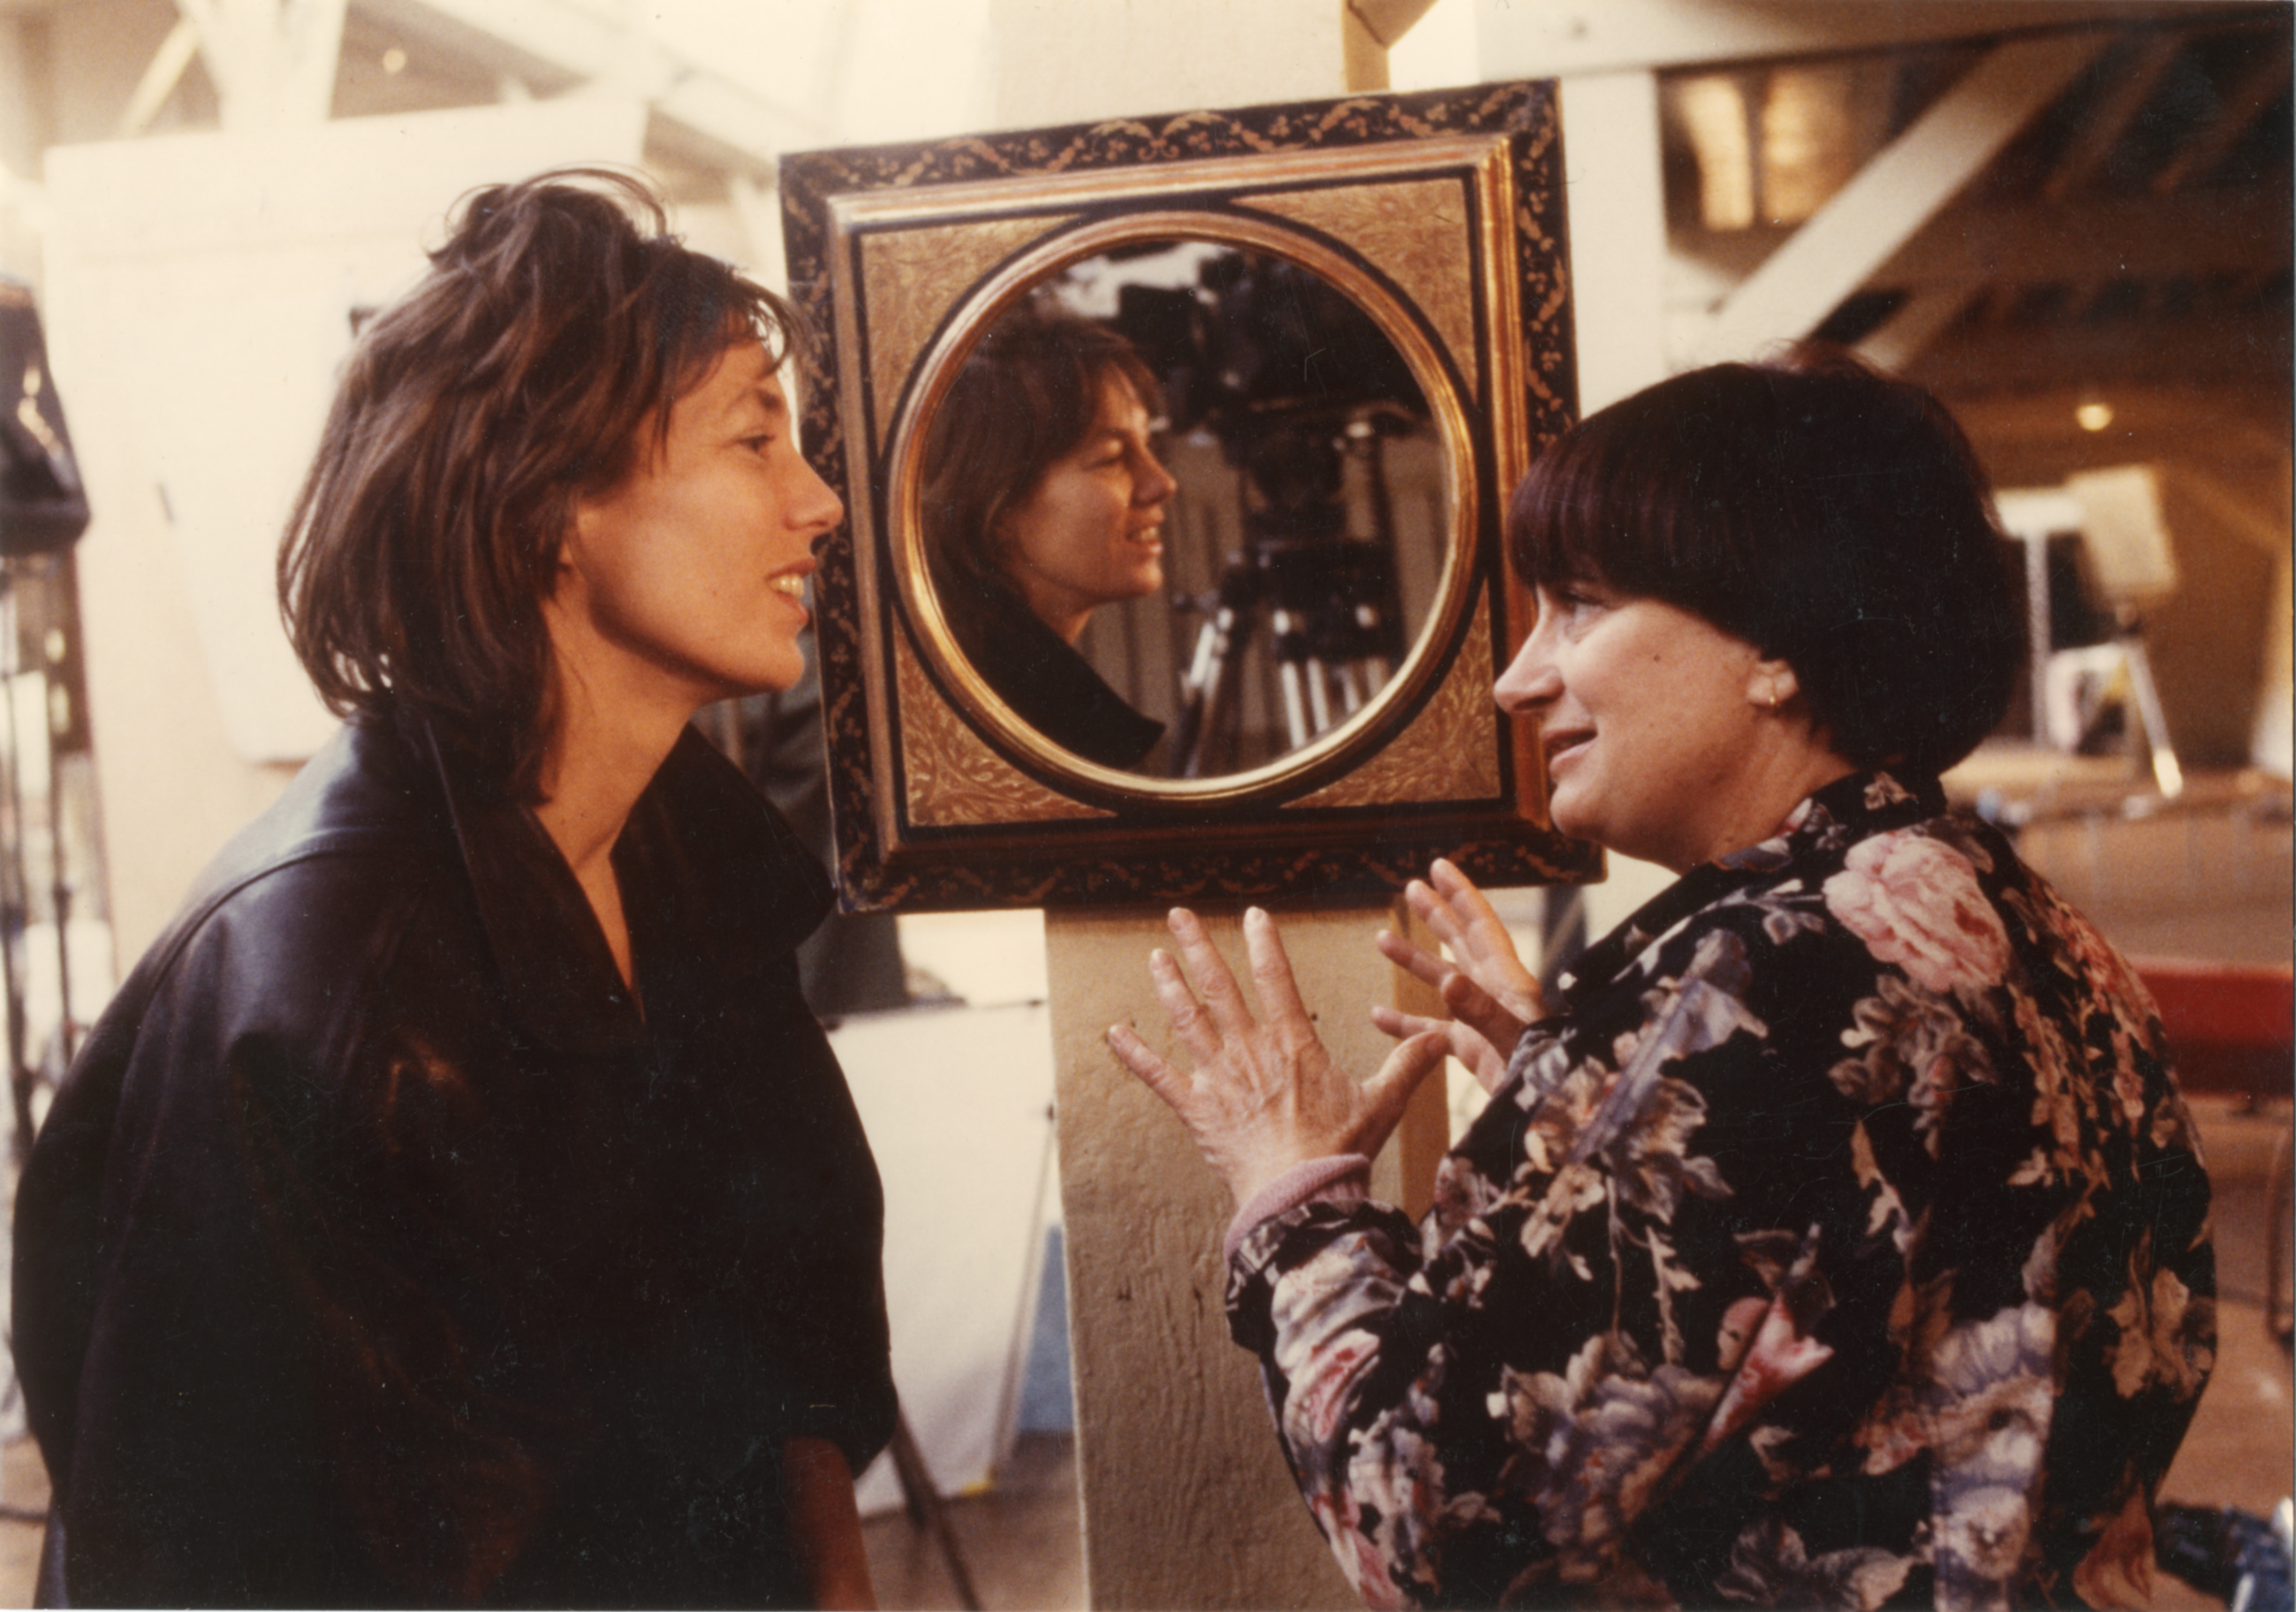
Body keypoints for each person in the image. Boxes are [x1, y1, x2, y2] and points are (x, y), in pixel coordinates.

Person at [1109, 347, 2215, 1609]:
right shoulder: (2039, 932)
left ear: (1777, 642)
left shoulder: (1767, 977)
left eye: (1577, 606)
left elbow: (1428, 1526)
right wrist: (1599, 1110)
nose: (1514, 680)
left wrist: (1291, 1191)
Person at [11, 170, 896, 1608]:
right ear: (550, 501)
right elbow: (206, 1553)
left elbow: (788, 1300)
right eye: (754, 440)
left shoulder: (693, 858)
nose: (819, 503)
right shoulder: (330, 975)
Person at [920, 300, 1178, 770]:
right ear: (995, 507)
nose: (1161, 483)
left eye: (1150, 444)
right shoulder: (1008, 725)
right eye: (1111, 458)